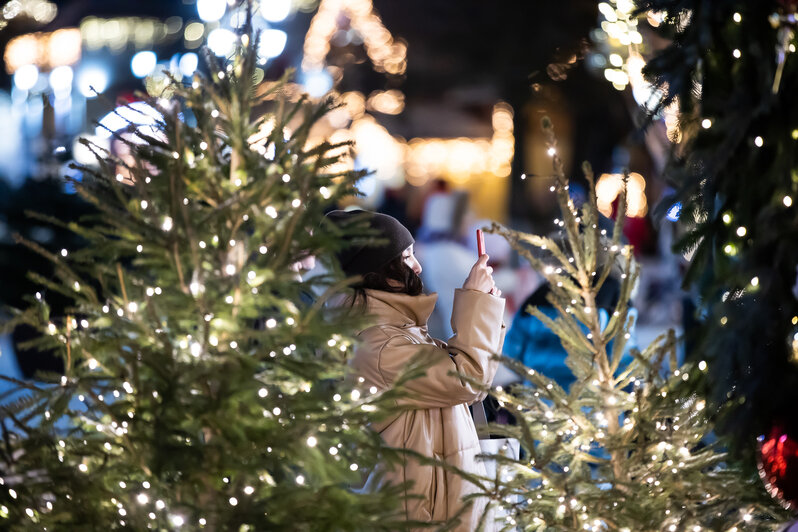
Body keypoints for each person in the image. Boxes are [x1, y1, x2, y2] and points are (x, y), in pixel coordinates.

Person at [326, 209, 506, 532]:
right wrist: (476, 301)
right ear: (379, 270)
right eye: (406, 257)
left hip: (437, 506)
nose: (418, 266)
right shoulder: (378, 344)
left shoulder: (399, 329)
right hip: (421, 516)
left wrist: (485, 310)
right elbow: (468, 378)